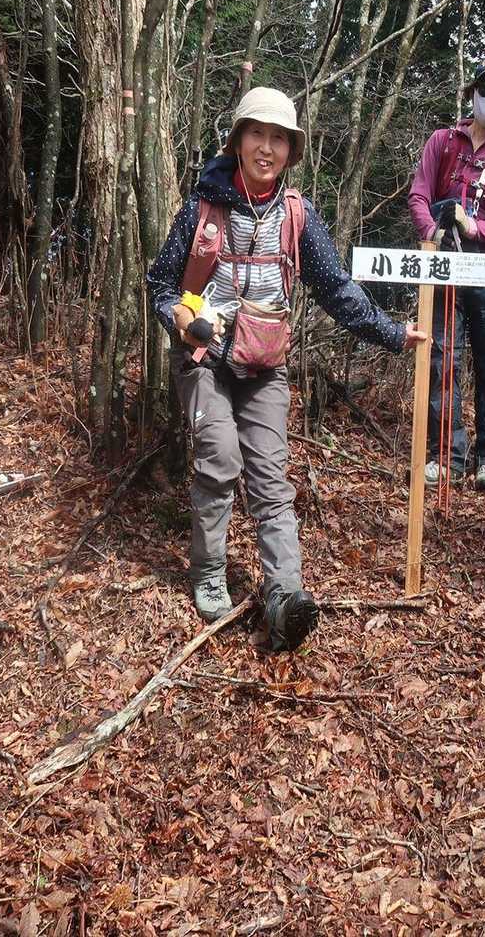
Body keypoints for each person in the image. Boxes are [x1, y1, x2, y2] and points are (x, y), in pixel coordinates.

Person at [147, 86, 428, 651]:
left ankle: (285, 595)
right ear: (239, 140)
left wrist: (394, 333)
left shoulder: (298, 215)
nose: (266, 147)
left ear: (291, 150)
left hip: (265, 364)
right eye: (257, 134)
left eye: (278, 138)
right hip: (204, 360)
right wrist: (182, 318)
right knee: (219, 459)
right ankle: (209, 571)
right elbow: (160, 284)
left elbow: (336, 288)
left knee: (271, 478)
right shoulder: (203, 207)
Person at [408, 53, 485, 491]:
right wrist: (434, 232)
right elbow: (419, 195)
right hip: (446, 264)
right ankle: (446, 454)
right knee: (442, 356)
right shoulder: (442, 142)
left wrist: (473, 226)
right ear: (472, 90)